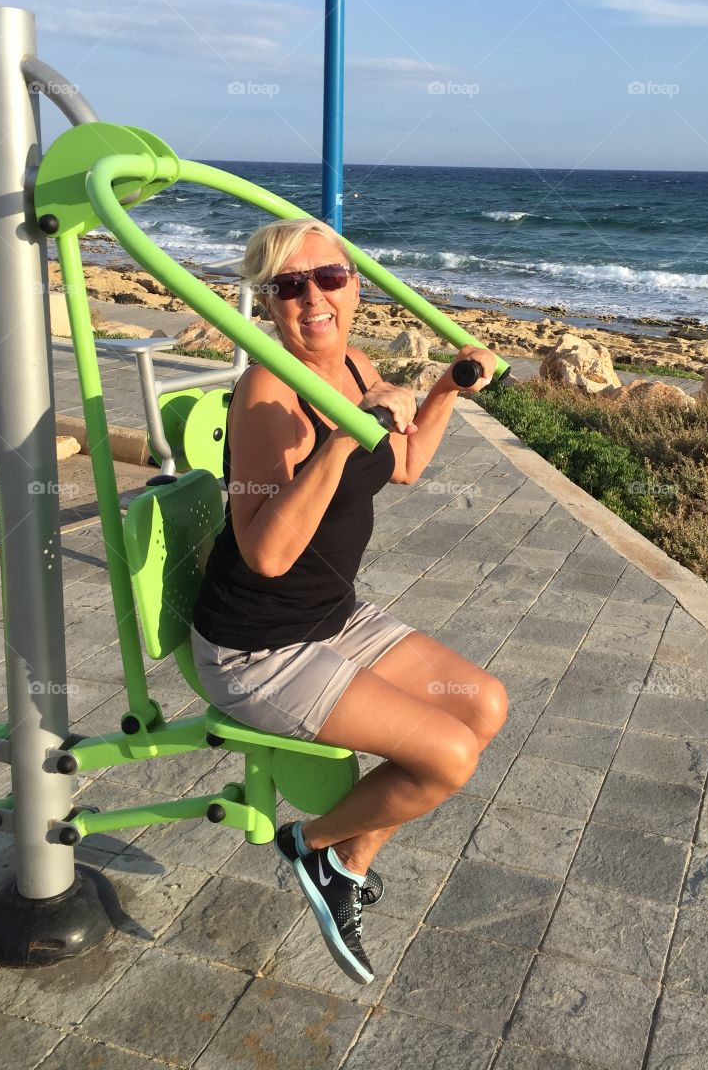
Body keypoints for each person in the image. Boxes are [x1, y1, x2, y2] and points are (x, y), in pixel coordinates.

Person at [190, 216, 508, 985]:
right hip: (259, 644)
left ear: (355, 284)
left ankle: (345, 860)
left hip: (329, 617)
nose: (313, 297)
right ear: (267, 304)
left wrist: (443, 387)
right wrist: (337, 441)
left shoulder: (358, 367)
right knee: (447, 754)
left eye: (328, 277)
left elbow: (402, 464)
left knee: (483, 704)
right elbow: (266, 553)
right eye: (288, 286)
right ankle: (315, 846)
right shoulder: (266, 393)